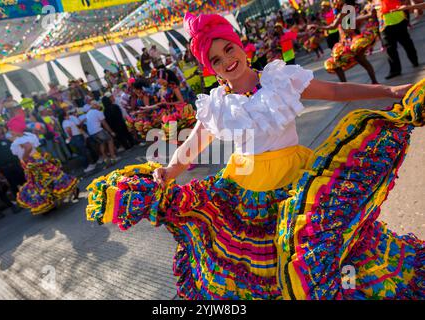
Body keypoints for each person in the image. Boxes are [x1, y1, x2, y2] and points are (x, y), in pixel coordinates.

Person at [86, 12, 424, 300]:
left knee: (323, 249)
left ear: (240, 45)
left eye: (228, 49)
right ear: (211, 68)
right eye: (215, 60)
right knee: (263, 268)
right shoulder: (217, 105)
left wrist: (388, 91)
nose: (226, 61)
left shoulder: (281, 79)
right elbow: (192, 147)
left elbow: (335, 90)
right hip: (246, 193)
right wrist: (168, 171)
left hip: (298, 184)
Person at [8, 115, 79, 215]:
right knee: (51, 176)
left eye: (11, 129)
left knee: (40, 182)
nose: (10, 132)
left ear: (16, 129)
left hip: (32, 162)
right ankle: (66, 193)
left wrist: (24, 158)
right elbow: (33, 147)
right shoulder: (27, 135)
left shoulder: (19, 140)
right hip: (38, 159)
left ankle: (49, 203)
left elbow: (28, 148)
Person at [314, 0, 379, 84]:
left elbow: (334, 26)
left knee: (359, 60)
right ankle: (346, 85)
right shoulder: (343, 10)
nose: (333, 2)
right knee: (336, 63)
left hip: (351, 40)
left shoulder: (346, 9)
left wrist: (318, 26)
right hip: (345, 41)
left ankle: (373, 82)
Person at [371, 0, 420, 79]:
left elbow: (405, 2)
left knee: (407, 43)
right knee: (390, 49)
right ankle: (395, 70)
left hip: (399, 21)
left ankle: (414, 60)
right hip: (384, 26)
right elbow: (374, 9)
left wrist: (408, 14)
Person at [0, 126, 26, 198]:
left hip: (16, 165)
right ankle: (20, 200)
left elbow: (15, 151)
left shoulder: (6, 141)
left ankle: (32, 196)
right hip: (5, 169)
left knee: (24, 180)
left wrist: (20, 161)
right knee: (13, 185)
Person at [62, 108, 96, 173]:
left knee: (83, 151)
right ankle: (89, 164)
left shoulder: (67, 121)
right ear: (64, 116)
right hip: (75, 137)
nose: (68, 116)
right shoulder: (66, 122)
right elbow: (69, 130)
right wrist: (71, 137)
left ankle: (90, 164)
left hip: (77, 136)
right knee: (82, 151)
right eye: (67, 115)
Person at [85, 101, 118, 167]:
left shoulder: (88, 113)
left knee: (102, 143)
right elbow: (104, 123)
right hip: (98, 130)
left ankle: (105, 159)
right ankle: (113, 157)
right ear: (96, 106)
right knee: (110, 140)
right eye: (97, 105)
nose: (99, 106)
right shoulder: (98, 112)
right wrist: (111, 132)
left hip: (92, 133)